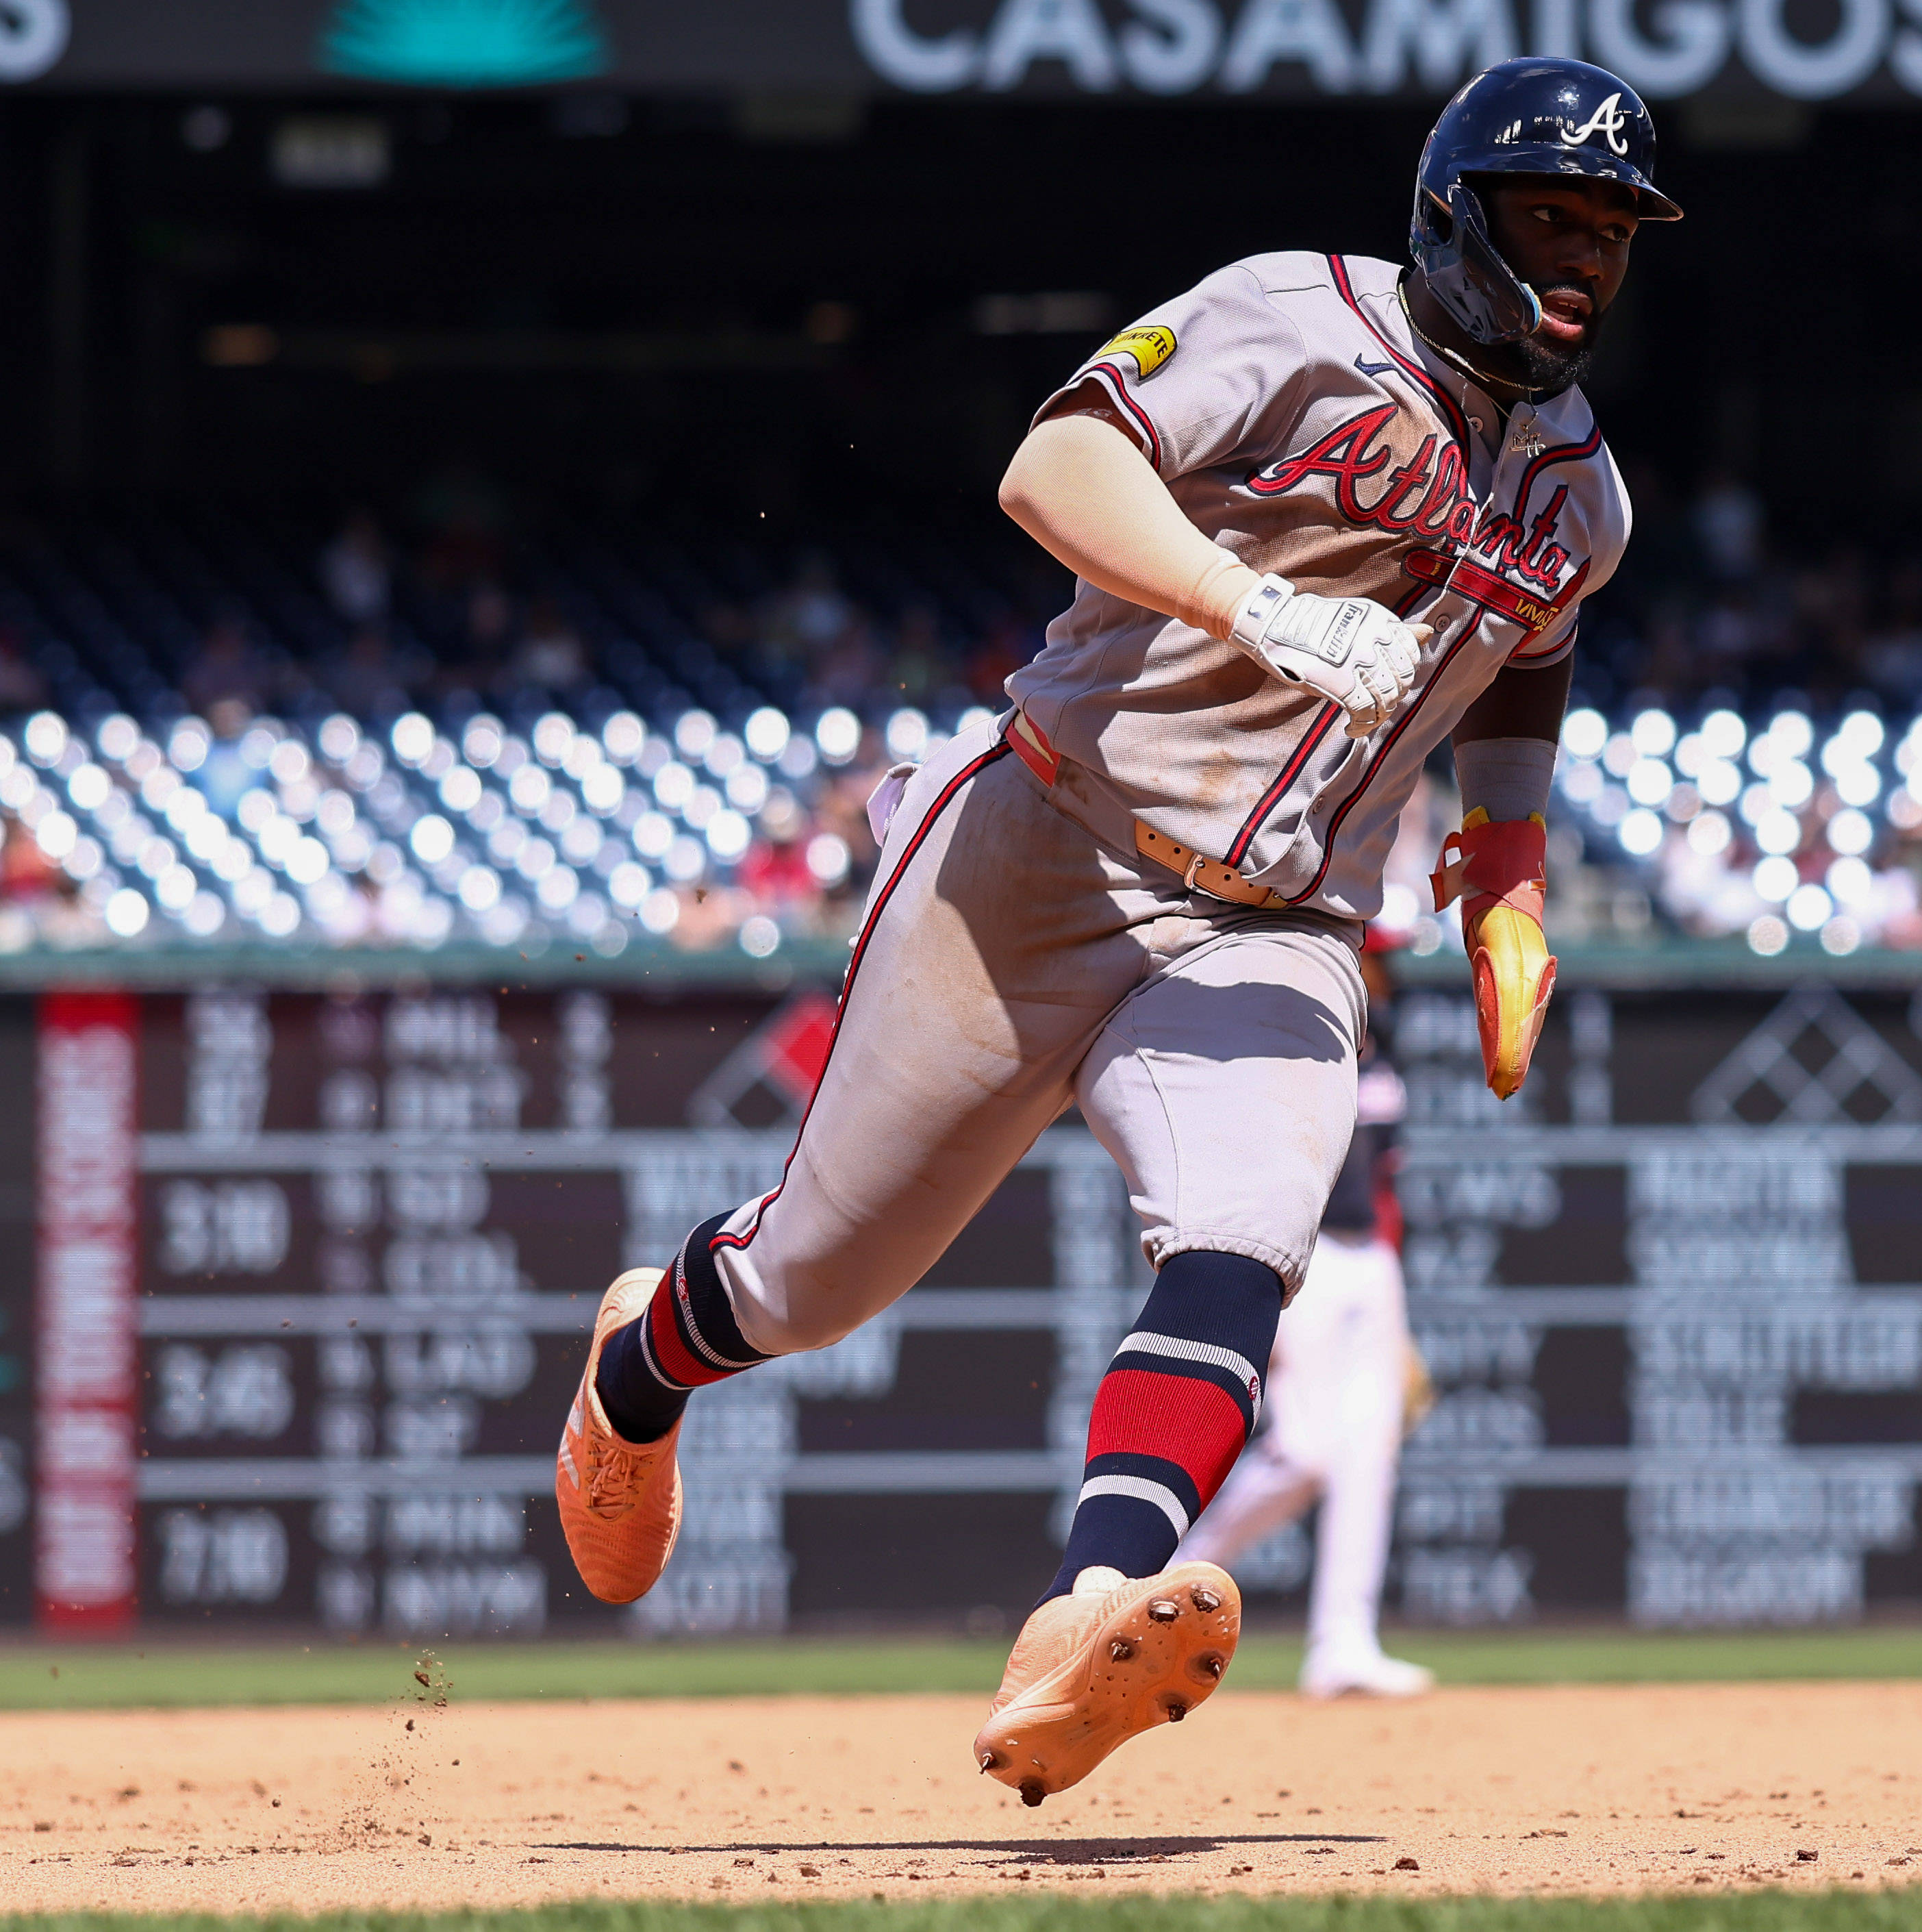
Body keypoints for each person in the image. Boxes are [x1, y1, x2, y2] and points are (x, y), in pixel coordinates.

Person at [550, 56, 1677, 1807]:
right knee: (814, 1283)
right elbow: (1054, 463)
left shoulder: (1580, 492)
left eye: (1609, 231)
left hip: (1285, 915)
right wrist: (1251, 601)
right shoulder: (1292, 321)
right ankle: (642, 1364)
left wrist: (1509, 861)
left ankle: (1091, 1611)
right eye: (1548, 214)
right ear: (1451, 214)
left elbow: (1537, 633)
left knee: (1244, 1240)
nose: (1579, 262)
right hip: (1042, 849)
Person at [1172, 940, 1430, 1698]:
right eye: (1373, 958)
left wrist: (1396, 1316)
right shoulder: (1288, 1036)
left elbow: (1381, 1190)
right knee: (1309, 1451)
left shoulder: (1381, 1050)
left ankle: (1344, 1643)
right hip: (1303, 1263)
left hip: (1370, 1264)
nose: (1381, 973)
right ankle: (1164, 1574)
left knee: (1368, 1459)